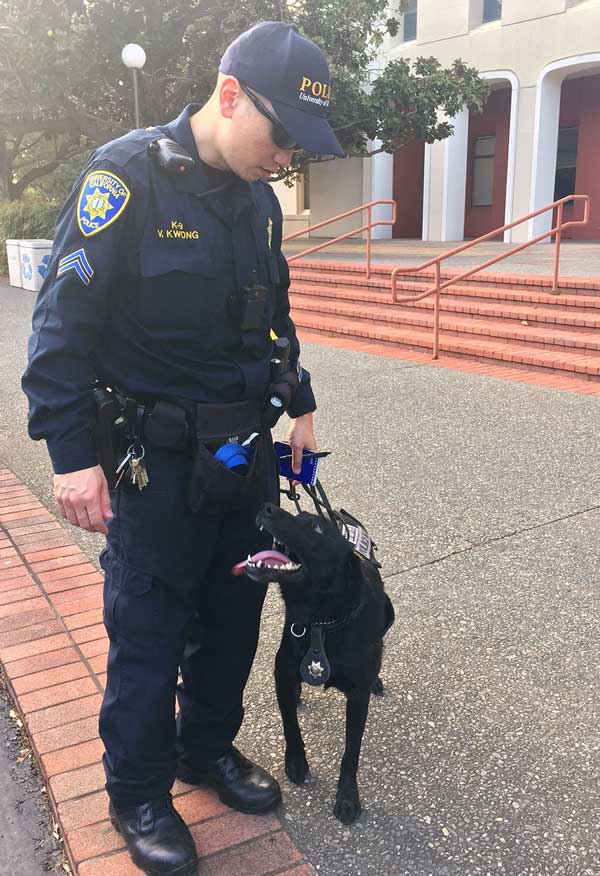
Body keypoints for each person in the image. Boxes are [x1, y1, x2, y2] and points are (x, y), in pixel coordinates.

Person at [22, 20, 344, 876]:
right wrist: (68, 456)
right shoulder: (123, 179)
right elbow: (58, 330)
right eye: (282, 137)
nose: (286, 159)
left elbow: (272, 316)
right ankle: (137, 790)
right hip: (154, 464)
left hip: (241, 455)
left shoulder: (258, 202)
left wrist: (301, 403)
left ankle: (204, 748)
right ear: (230, 95)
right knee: (149, 631)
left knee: (233, 615)